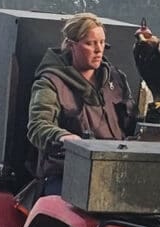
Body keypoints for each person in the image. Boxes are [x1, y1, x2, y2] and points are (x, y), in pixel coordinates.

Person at [26, 13, 137, 196]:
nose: (98, 50)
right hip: (66, 174)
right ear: (71, 45)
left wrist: (157, 119)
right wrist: (64, 137)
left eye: (102, 42)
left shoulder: (115, 80)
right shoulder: (50, 82)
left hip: (114, 170)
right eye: (90, 43)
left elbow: (132, 124)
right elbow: (38, 126)